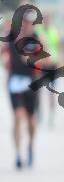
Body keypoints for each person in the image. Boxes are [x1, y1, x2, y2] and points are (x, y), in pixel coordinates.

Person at [1, 9, 49, 168]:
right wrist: (5, 59)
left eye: (30, 22)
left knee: (31, 120)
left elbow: (47, 60)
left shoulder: (37, 38)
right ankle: (18, 154)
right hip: (14, 81)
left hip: (31, 82)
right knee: (18, 116)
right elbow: (3, 53)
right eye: (25, 22)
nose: (27, 25)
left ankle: (30, 146)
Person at [37, 14, 61, 126]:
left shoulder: (54, 32)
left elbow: (59, 47)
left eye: (48, 20)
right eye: (45, 20)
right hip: (41, 65)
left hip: (52, 65)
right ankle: (39, 113)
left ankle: (51, 116)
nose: (47, 22)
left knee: (51, 91)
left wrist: (60, 61)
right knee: (38, 91)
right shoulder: (38, 32)